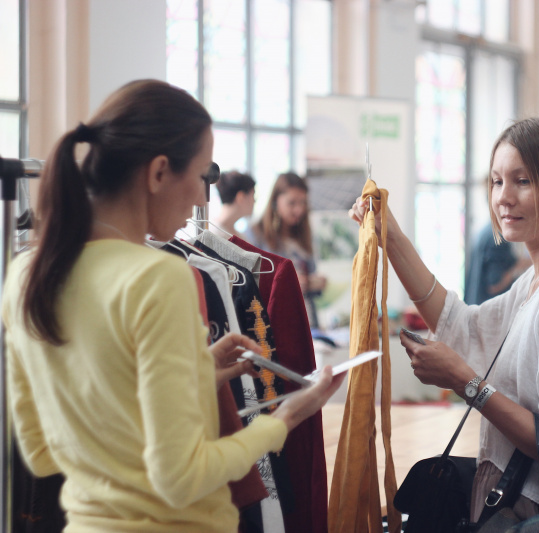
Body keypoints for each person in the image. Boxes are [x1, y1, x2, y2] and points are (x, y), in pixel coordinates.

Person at [2, 79, 343, 532]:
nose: (204, 198)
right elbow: (181, 478)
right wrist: (284, 419)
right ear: (159, 172)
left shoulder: (24, 277)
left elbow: (42, 452)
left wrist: (197, 372)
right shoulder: (158, 278)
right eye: (203, 177)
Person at [350, 117, 539, 530]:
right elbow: (463, 325)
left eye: (523, 181)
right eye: (496, 182)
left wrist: (465, 382)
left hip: (535, 515)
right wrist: (392, 237)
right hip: (515, 505)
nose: (504, 198)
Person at [246, 172, 326, 329]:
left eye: (303, 203)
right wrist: (288, 283)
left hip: (307, 324)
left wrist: (313, 283)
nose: (299, 210)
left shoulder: (303, 237)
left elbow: (308, 280)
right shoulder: (256, 235)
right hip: (274, 326)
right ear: (276, 201)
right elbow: (250, 284)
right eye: (292, 203)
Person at [464, 220, 531, 305]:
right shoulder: (498, 238)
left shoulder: (484, 231)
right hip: (489, 308)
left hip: (473, 303)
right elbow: (495, 283)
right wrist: (517, 269)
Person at [211, 170, 256, 240]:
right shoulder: (212, 233)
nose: (254, 201)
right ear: (241, 197)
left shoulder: (241, 237)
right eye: (253, 196)